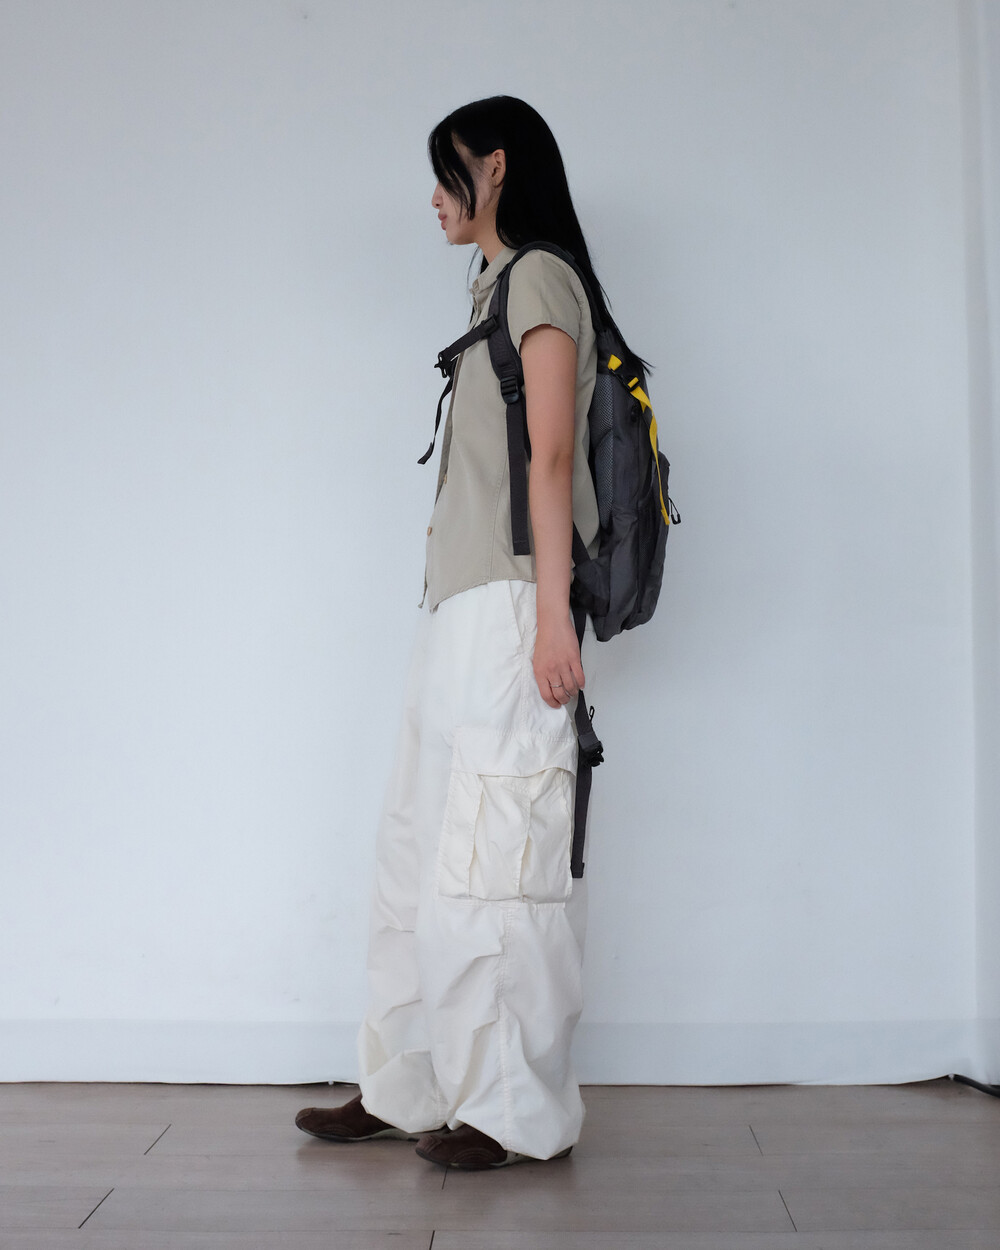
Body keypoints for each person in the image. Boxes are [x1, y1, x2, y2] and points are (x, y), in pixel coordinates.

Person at [295, 96, 639, 1171]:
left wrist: (552, 618)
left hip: (512, 608)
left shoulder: (539, 278)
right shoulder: (490, 288)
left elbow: (551, 456)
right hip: (455, 610)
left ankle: (510, 1110)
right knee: (418, 846)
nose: (433, 198)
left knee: (500, 857)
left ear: (493, 169)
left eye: (445, 174)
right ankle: (411, 1083)